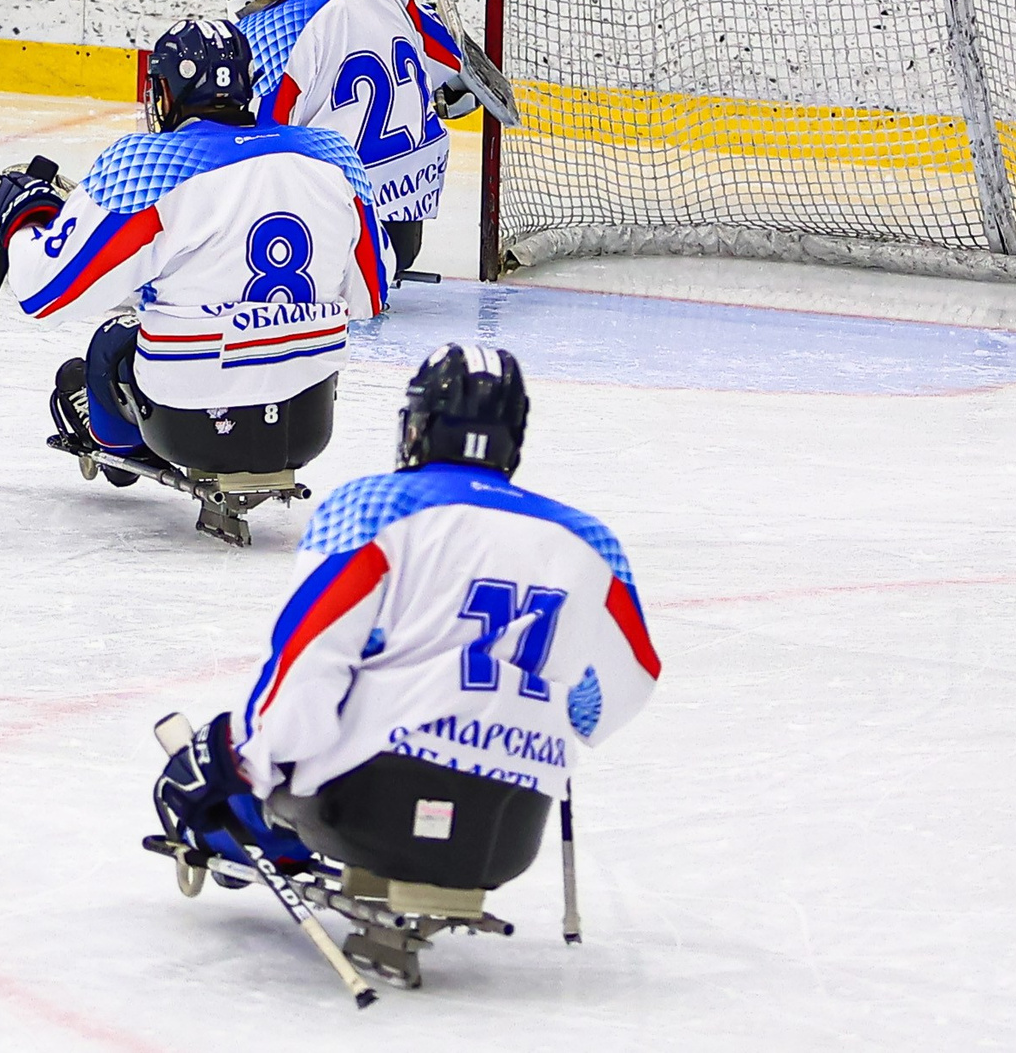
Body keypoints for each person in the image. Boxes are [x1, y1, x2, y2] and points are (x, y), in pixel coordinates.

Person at [149, 344, 661, 898]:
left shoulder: (373, 508)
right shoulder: (591, 542)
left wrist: (240, 754)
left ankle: (253, 835)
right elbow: (626, 683)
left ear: (419, 426)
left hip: (372, 804)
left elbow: (312, 654)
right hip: (510, 830)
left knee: (228, 772)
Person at [0, 17, 388, 494]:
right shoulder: (332, 153)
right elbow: (372, 293)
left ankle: (116, 444)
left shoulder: (151, 164)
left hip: (189, 426)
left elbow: (42, 293)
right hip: (306, 422)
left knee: (110, 345)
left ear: (167, 90)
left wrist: (22, 222)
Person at [225, 0, 480, 273]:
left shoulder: (268, 32)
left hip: (321, 242)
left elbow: (261, 139)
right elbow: (455, 66)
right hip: (403, 234)